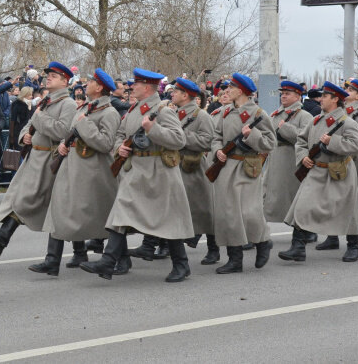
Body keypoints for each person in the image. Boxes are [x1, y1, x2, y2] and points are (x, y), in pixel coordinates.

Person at [80, 71, 192, 282]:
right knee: (120, 211)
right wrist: (119, 147)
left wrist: (153, 129)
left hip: (159, 171)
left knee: (167, 219)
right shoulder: (133, 110)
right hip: (136, 170)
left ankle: (181, 264)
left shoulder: (162, 111)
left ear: (148, 87)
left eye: (137, 84)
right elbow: (120, 135)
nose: (132, 87)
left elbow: (179, 140)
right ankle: (108, 261)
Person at [0, 62, 77, 260]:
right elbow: (29, 125)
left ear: (65, 81)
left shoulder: (68, 104)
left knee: (44, 205)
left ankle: (2, 241)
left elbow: (63, 131)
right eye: (48, 75)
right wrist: (25, 136)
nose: (48, 78)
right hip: (34, 158)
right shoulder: (46, 101)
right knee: (24, 199)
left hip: (50, 160)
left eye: (54, 76)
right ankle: (1, 241)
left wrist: (39, 119)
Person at [33, 68, 120, 277]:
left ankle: (120, 258)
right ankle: (52, 261)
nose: (86, 83)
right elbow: (71, 134)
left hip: (94, 174)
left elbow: (106, 143)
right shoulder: (86, 108)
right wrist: (64, 145)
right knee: (59, 209)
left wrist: (85, 123)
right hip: (71, 167)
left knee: (106, 215)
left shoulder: (109, 113)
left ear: (99, 88)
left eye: (91, 81)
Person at [278, 82, 358, 264]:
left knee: (346, 210)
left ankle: (353, 246)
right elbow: (301, 141)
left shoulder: (346, 122)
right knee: (302, 206)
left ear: (336, 99)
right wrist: (303, 157)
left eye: (325, 96)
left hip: (338, 171)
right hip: (316, 170)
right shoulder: (315, 120)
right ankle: (298, 247)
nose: (321, 99)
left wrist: (333, 141)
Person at [209, 73, 276, 274]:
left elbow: (270, 143)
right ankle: (234, 259)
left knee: (250, 212)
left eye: (232, 87)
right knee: (229, 214)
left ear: (242, 91)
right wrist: (217, 151)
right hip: (226, 166)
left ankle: (263, 241)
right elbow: (216, 136)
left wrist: (252, 135)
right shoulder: (224, 112)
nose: (227, 90)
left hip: (248, 167)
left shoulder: (258, 114)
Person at [315, 78, 358, 250]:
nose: (347, 92)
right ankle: (332, 236)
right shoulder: (340, 112)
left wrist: (349, 136)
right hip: (337, 157)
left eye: (351, 90)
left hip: (355, 160)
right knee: (334, 198)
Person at [171, 78, 219, 265]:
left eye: (177, 91)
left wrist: (181, 137)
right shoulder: (175, 113)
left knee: (204, 210)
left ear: (186, 95)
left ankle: (213, 249)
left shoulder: (201, 116)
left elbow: (207, 141)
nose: (172, 94)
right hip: (176, 165)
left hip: (194, 167)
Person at [262, 81, 311, 235]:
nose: (283, 96)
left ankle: (304, 229)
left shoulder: (304, 115)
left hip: (291, 160)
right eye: (282, 93)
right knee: (265, 194)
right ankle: (259, 232)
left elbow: (306, 138)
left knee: (293, 196)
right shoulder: (276, 114)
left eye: (287, 93)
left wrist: (285, 128)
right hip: (274, 158)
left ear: (298, 96)